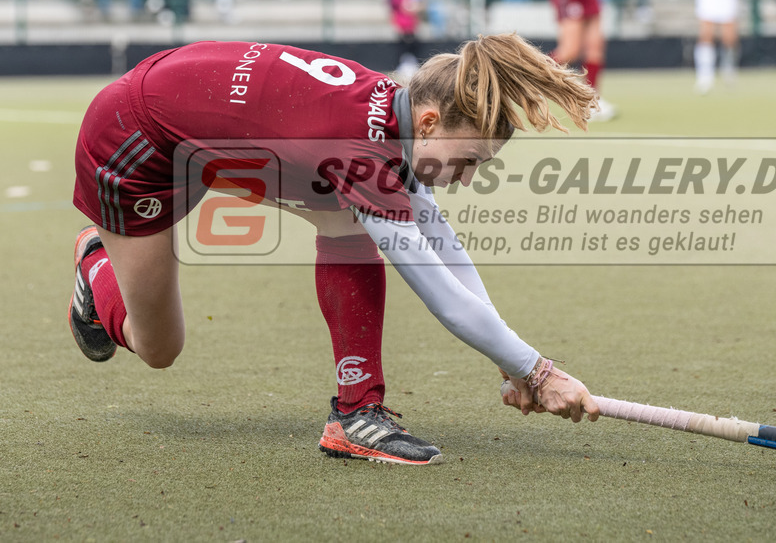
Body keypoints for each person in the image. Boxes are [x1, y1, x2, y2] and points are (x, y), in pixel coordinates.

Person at [67, 34, 601, 466]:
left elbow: (442, 244)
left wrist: (511, 365)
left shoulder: (397, 112)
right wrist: (537, 372)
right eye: (467, 161)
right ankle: (96, 264)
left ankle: (356, 413)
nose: (463, 179)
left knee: (343, 216)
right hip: (132, 141)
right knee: (158, 347)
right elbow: (442, 295)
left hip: (189, 117)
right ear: (433, 123)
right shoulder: (362, 149)